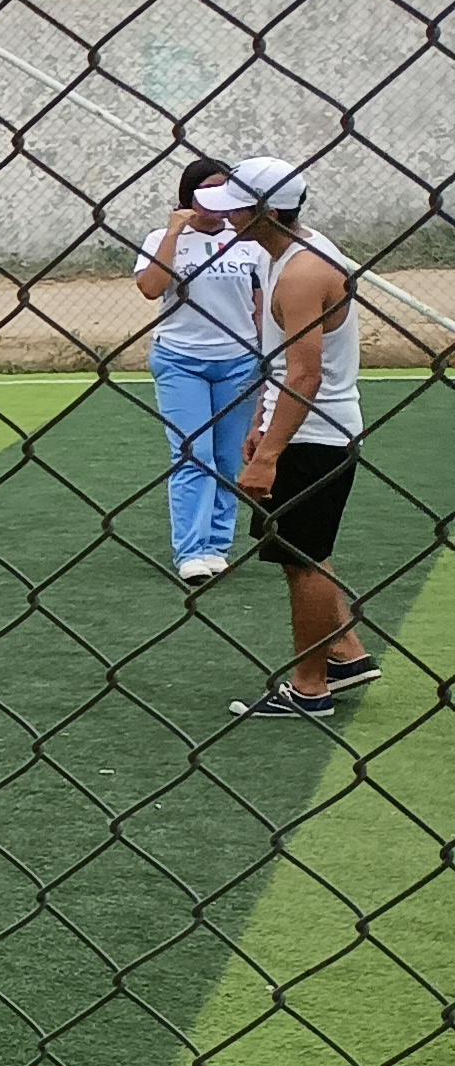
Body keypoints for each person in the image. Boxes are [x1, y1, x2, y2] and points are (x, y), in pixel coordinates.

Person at [215, 158, 381, 719]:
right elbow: (284, 364)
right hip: (307, 430)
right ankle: (346, 654)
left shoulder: (303, 272)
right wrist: (261, 422)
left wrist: (268, 455)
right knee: (304, 553)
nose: (227, 216)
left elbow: (305, 374)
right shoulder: (283, 255)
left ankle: (311, 689)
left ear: (268, 211)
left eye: (237, 207)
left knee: (304, 559)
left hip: (315, 435)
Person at [138, 158, 264, 586]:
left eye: (225, 190)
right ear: (188, 195)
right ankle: (190, 552)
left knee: (227, 458)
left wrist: (265, 356)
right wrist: (174, 232)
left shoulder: (247, 239)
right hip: (180, 359)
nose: (216, 201)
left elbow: (258, 304)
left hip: (238, 361)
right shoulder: (161, 238)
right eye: (207, 191)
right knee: (193, 453)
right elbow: (151, 288)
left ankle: (216, 546)